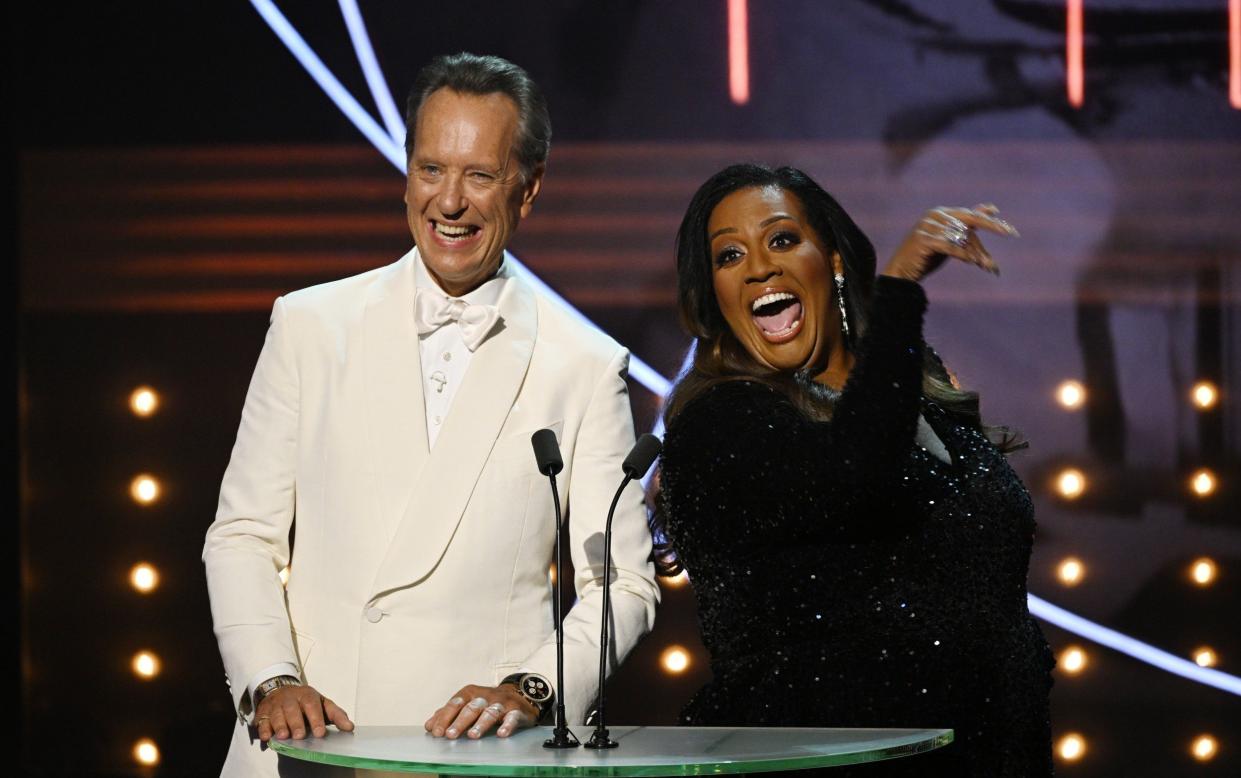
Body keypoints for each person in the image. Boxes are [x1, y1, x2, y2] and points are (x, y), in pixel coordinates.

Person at [203, 53, 659, 777]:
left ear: (528, 187)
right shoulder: (310, 324)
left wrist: (530, 689)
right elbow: (243, 535)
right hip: (307, 744)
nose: (449, 202)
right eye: (429, 170)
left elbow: (621, 585)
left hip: (475, 752)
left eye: (480, 175)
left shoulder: (583, 362)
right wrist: (271, 679)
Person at [655, 164, 1054, 776]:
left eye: (783, 239)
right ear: (715, 292)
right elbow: (856, 478)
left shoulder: (911, 388)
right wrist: (899, 287)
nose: (760, 267)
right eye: (730, 255)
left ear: (835, 259)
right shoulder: (719, 424)